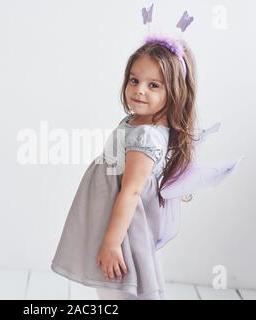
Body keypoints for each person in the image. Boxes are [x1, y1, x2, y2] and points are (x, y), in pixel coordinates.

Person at [51, 34, 199, 300]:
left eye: (154, 85)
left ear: (174, 92)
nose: (139, 89)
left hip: (121, 228)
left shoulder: (148, 136)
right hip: (109, 215)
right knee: (109, 286)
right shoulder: (135, 121)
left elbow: (131, 192)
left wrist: (112, 242)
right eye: (134, 80)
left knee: (118, 285)